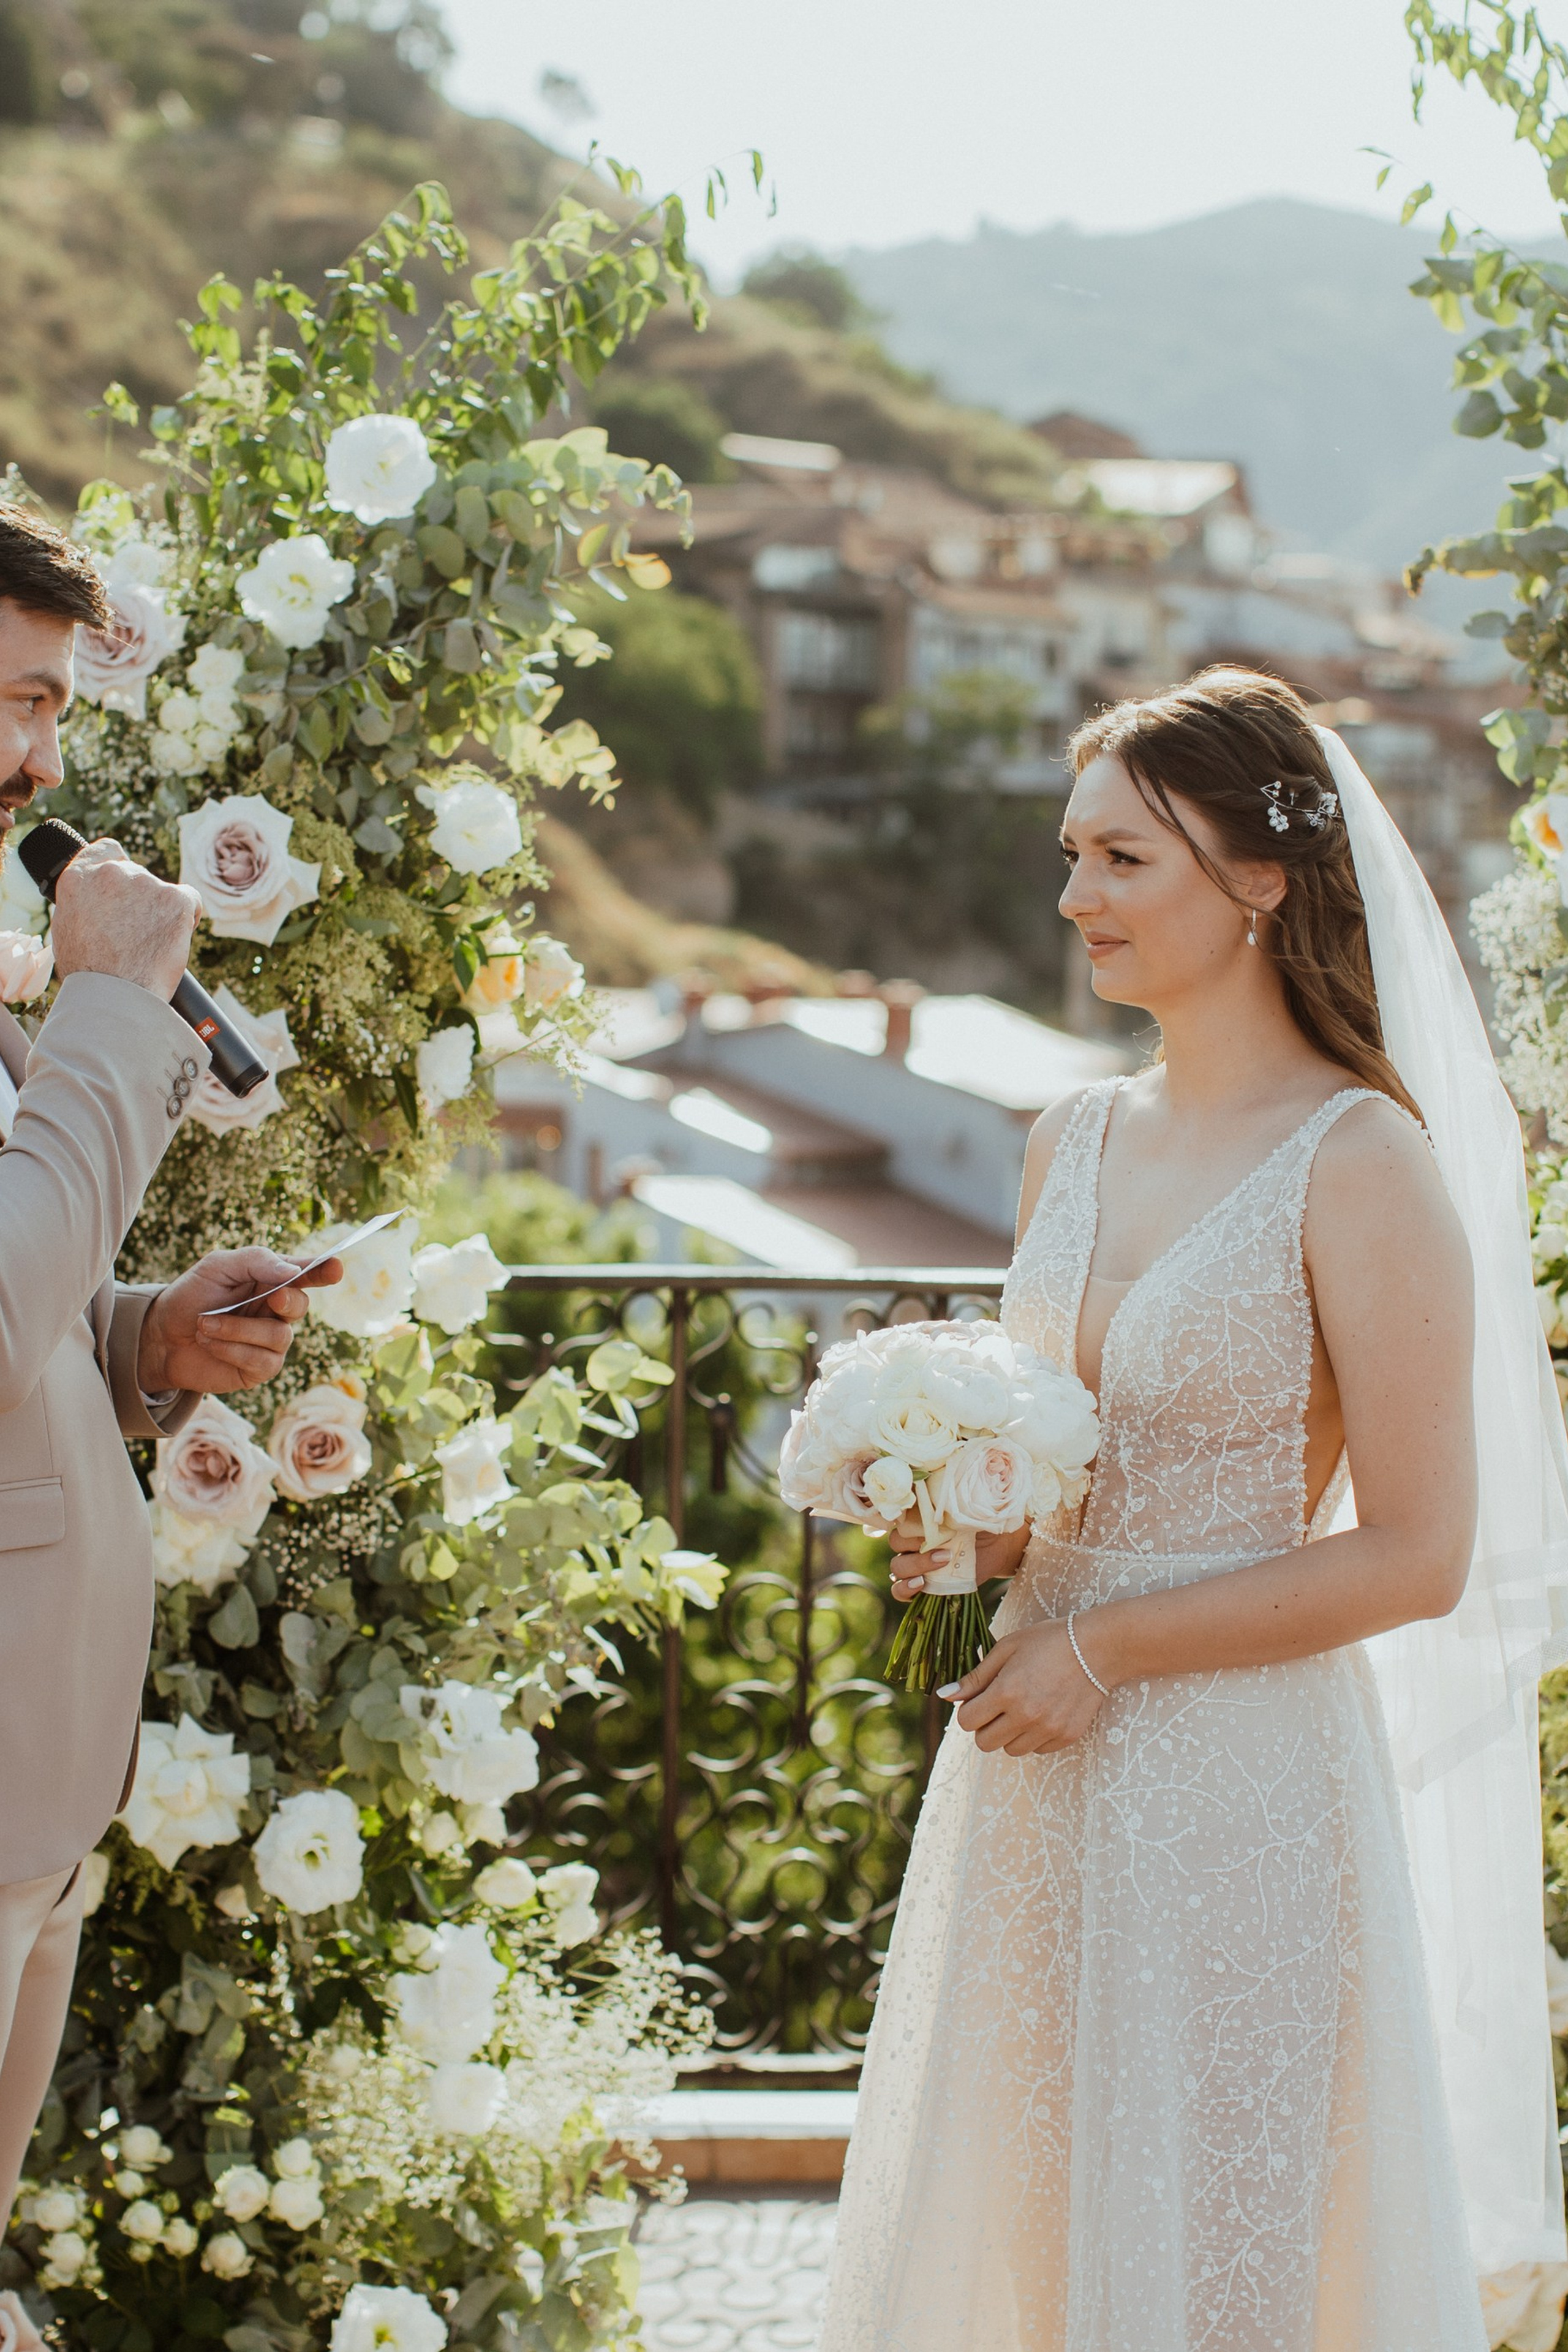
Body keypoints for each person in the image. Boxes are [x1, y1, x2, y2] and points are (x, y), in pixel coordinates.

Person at [818, 667, 1568, 2351]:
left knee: (1228, 2263)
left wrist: (1110, 1642)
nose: (1073, 895)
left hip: (1242, 1790)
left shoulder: (1362, 1160)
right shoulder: (1067, 1139)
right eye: (1072, 853)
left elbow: (1418, 1552)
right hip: (1035, 1774)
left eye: (1122, 860)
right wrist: (970, 1528)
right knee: (1032, 2245)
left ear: (1261, 882)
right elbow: (1070, 1458)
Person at [0, 505, 342, 2262]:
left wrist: (144, 1338)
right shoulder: (68, 992)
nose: (30, 759)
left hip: (35, 1768)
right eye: (1, 702)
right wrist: (116, 1021)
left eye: (48, 708)